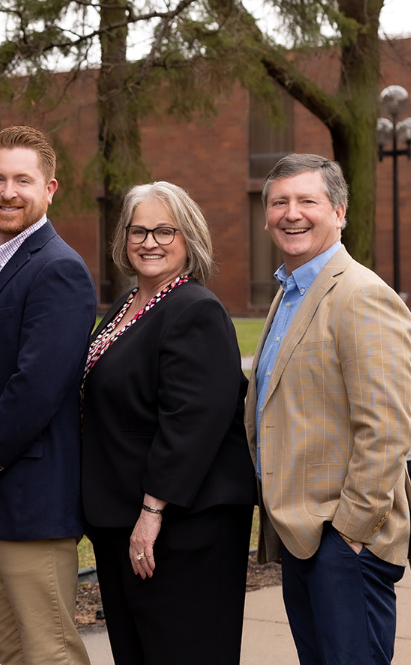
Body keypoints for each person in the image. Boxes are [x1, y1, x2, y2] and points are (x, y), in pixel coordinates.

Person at [81, 181, 256, 664]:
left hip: (182, 528)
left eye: (164, 231)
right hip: (123, 518)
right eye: (139, 231)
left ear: (189, 238)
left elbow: (191, 424)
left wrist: (151, 512)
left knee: (181, 651)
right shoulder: (126, 305)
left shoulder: (195, 309)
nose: (149, 242)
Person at [0, 125, 95, 665]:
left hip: (30, 502)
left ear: (50, 189)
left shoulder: (59, 270)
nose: (9, 192)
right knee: (12, 653)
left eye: (23, 180)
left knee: (49, 652)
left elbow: (35, 390)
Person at [248, 154, 411, 664]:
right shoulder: (290, 294)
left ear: (339, 212)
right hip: (302, 536)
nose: (291, 213)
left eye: (307, 201)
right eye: (279, 202)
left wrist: (351, 534)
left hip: (343, 541)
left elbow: (386, 429)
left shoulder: (360, 295)